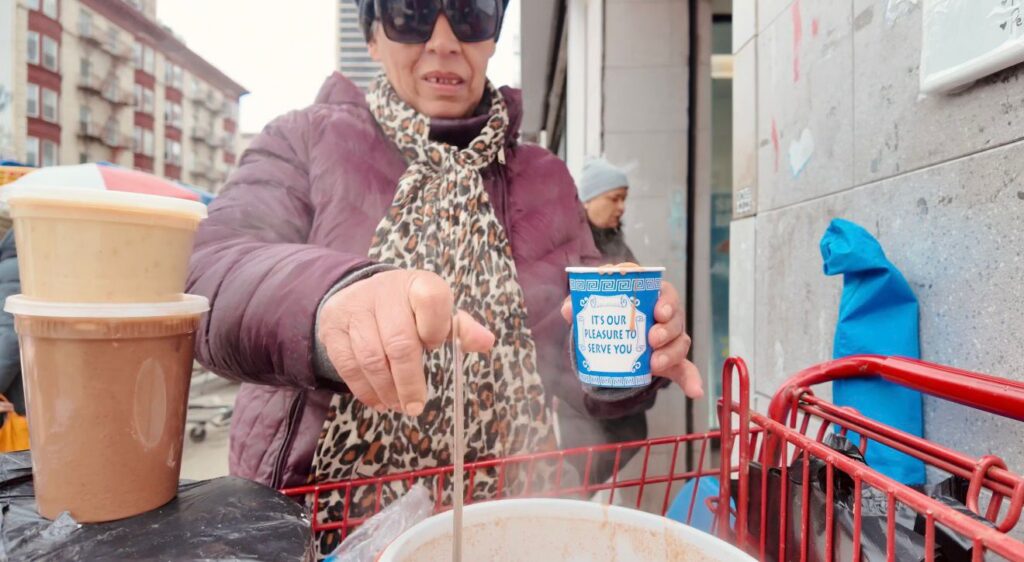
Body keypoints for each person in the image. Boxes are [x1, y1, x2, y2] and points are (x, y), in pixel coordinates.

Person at [186, 0, 702, 555]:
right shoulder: (302, 141)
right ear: (374, 37)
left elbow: (571, 357)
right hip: (314, 517)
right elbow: (208, 275)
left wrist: (634, 349)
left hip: (498, 515)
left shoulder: (545, 176)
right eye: (410, 13)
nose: (443, 39)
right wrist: (333, 303)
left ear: (492, 37)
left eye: (470, 13)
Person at [556, 157, 652, 485]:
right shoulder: (567, 247)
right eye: (615, 198)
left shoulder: (615, 243)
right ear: (588, 199)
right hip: (582, 389)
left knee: (621, 443)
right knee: (578, 474)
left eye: (624, 198)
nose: (622, 207)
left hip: (621, 386)